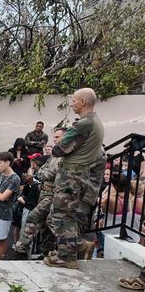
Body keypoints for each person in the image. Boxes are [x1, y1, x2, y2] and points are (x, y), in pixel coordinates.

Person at [44, 88, 106, 269]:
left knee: (63, 215)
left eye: (74, 101)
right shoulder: (96, 121)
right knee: (63, 214)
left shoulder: (83, 124)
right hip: (78, 173)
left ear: (83, 102)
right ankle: (72, 249)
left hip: (71, 174)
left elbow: (59, 149)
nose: (72, 104)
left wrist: (60, 144)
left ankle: (68, 256)